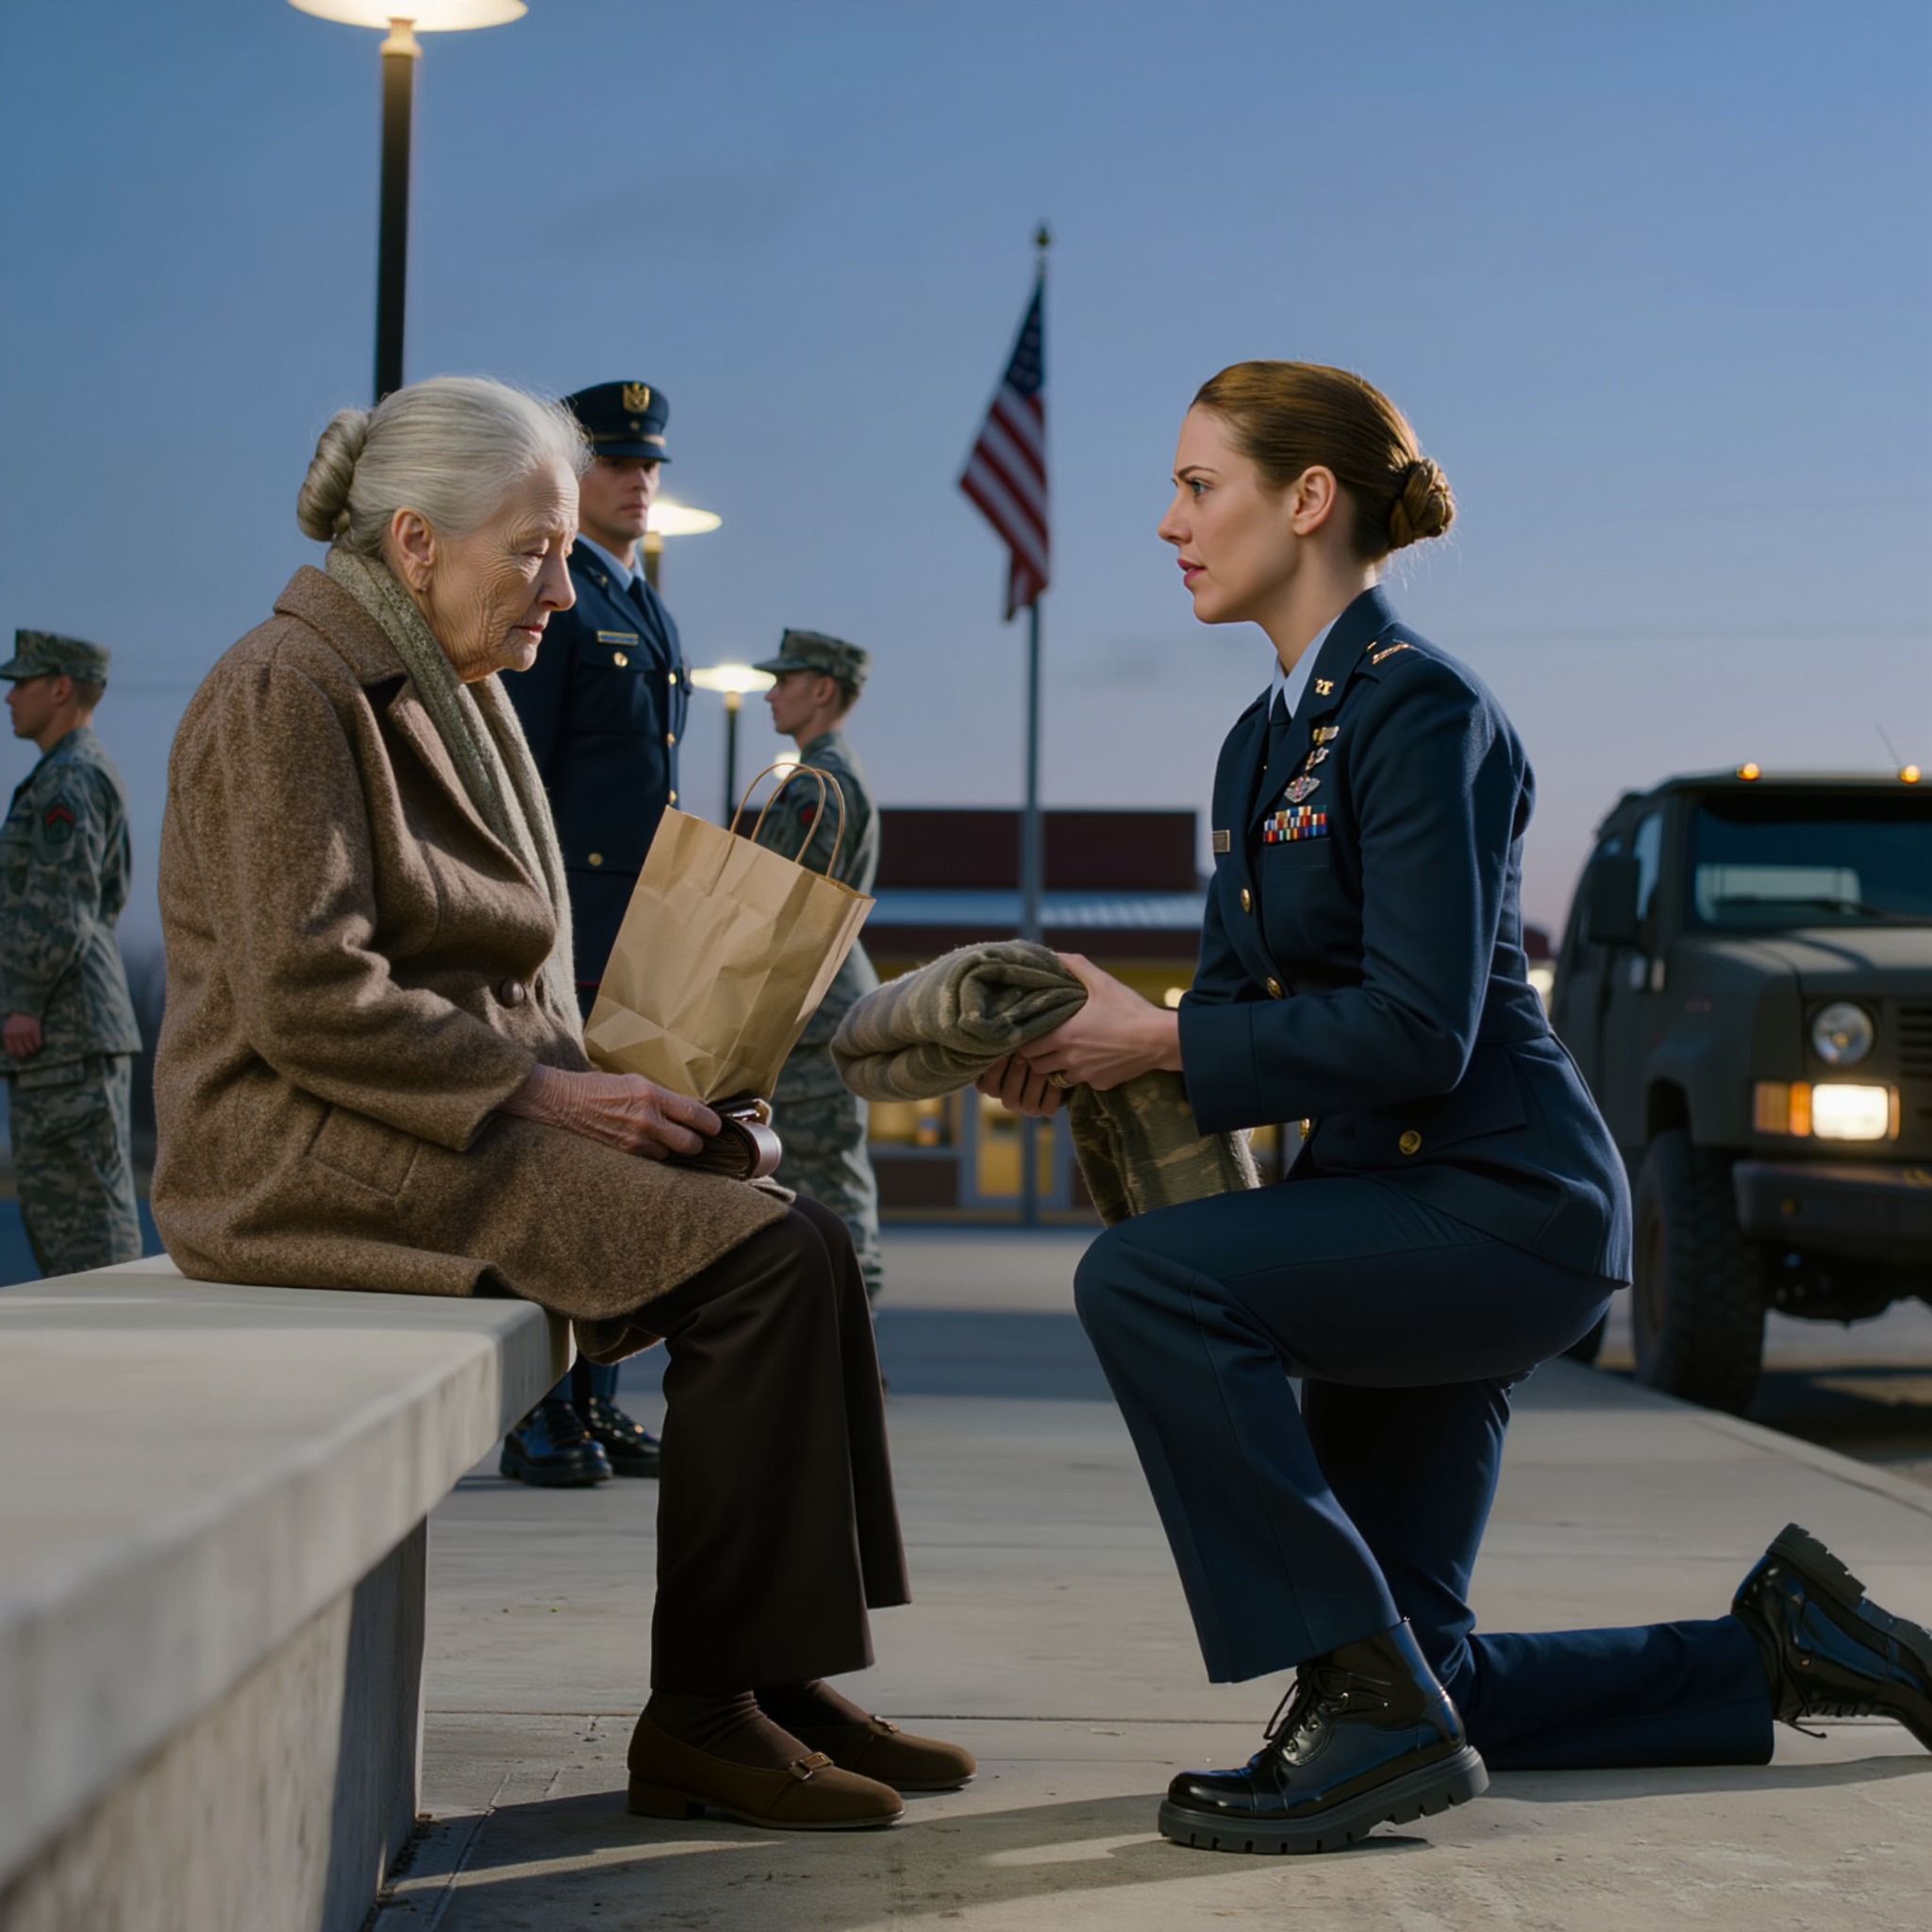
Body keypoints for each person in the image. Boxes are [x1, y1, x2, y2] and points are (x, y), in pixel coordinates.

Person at [985, 360, 1932, 1856]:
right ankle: (1790, 1648)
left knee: (1145, 1286)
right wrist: (1090, 1043)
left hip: (1499, 1207)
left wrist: (1161, 1040)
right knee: (1434, 1677)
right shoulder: (1258, 744)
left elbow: (1420, 1028)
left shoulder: (1423, 711)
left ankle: (1362, 1709)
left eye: (1196, 484)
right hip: (1377, 1212)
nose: (1168, 521)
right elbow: (1236, 1016)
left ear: (1308, 501)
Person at [151, 375, 972, 1831]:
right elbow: (301, 991)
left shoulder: (446, 685)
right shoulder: (288, 687)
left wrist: (631, 1094)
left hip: (441, 1115)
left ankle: (775, 1674)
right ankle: (701, 1714)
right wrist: (545, 1093)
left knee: (802, 1237)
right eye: (529, 549)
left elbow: (509, 977)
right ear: (414, 544)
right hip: (307, 1144)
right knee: (769, 1262)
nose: (562, 580)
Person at [499, 378, 690, 1486]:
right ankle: (540, 1410)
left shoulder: (645, 602)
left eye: (650, 464)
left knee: (623, 1169)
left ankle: (599, 1395)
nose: (641, 481)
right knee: (566, 1166)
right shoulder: (564, 602)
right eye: (619, 462)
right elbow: (522, 770)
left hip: (632, 928)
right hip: (568, 923)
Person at [0, 631, 142, 1276]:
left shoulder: (71, 780)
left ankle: (120, 1363)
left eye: (20, 682)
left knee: (87, 1229)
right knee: (64, 1224)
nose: (9, 697)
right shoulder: (64, 774)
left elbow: (66, 900)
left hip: (64, 1029)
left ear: (60, 689)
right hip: (66, 1028)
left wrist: (25, 1001)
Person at [750, 630, 883, 1300]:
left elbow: (795, 903)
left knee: (823, 1185)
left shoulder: (819, 784)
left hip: (810, 1005)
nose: (772, 694)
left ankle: (855, 1350)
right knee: (816, 1181)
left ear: (822, 690)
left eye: (785, 680)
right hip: (817, 1000)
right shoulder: (824, 773)